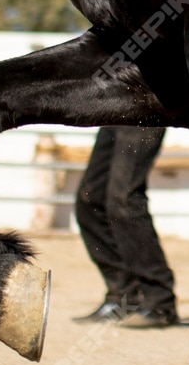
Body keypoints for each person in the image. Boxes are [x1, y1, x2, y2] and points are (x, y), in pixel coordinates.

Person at [71, 125, 179, 327]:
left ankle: (160, 302)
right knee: (90, 199)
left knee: (124, 199)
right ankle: (123, 297)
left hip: (145, 108)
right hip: (115, 108)